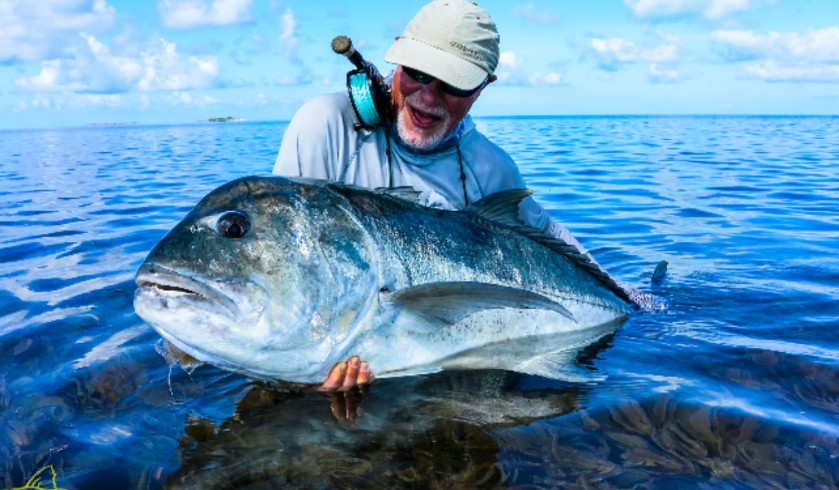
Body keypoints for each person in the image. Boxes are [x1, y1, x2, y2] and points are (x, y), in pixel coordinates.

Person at [274, 0, 608, 391]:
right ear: (396, 61)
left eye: (453, 83)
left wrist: (628, 299)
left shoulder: (490, 168)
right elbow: (286, 251)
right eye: (417, 72)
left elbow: (550, 235)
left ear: (484, 86)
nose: (429, 97)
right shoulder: (326, 126)